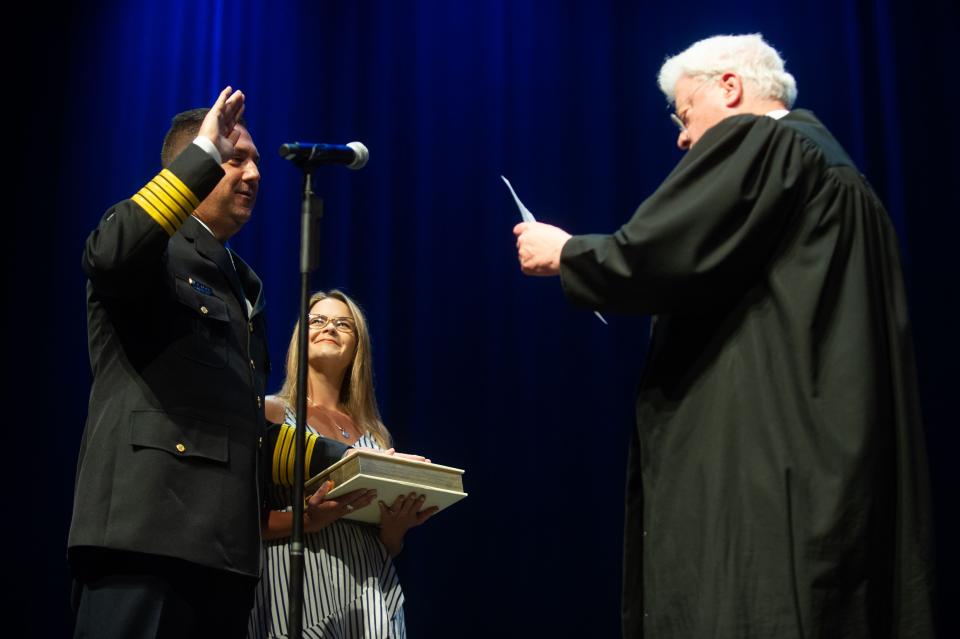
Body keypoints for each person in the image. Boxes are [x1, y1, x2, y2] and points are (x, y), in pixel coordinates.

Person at [514, 34, 934, 638]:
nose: (683, 138)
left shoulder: (766, 141)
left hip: (770, 455)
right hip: (835, 450)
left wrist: (571, 254)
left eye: (686, 115)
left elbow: (667, 253)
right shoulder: (843, 173)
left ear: (730, 88)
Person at [68, 88, 353, 638]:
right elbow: (106, 254)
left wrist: (357, 465)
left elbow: (240, 430)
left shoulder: (242, 284)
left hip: (225, 562)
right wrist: (202, 152)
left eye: (256, 163)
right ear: (190, 167)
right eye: (234, 158)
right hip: (145, 544)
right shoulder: (152, 252)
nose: (253, 175)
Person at [248, 290, 437, 639]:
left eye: (342, 324)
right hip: (299, 585)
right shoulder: (272, 411)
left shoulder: (376, 435)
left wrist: (396, 530)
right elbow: (243, 521)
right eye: (317, 321)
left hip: (369, 592)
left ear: (357, 348)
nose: (329, 328)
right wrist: (307, 519)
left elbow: (386, 545)